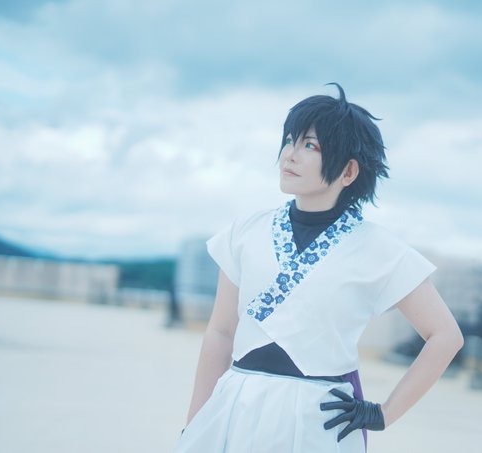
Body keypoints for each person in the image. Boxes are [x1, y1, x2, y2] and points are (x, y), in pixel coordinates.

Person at [174, 83, 464, 452]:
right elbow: (220, 333)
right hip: (236, 405)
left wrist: (383, 414)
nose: (290, 155)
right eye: (289, 141)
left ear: (348, 171)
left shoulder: (378, 249)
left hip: (318, 420)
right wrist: (195, 427)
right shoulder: (245, 232)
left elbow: (446, 336)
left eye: (310, 146)